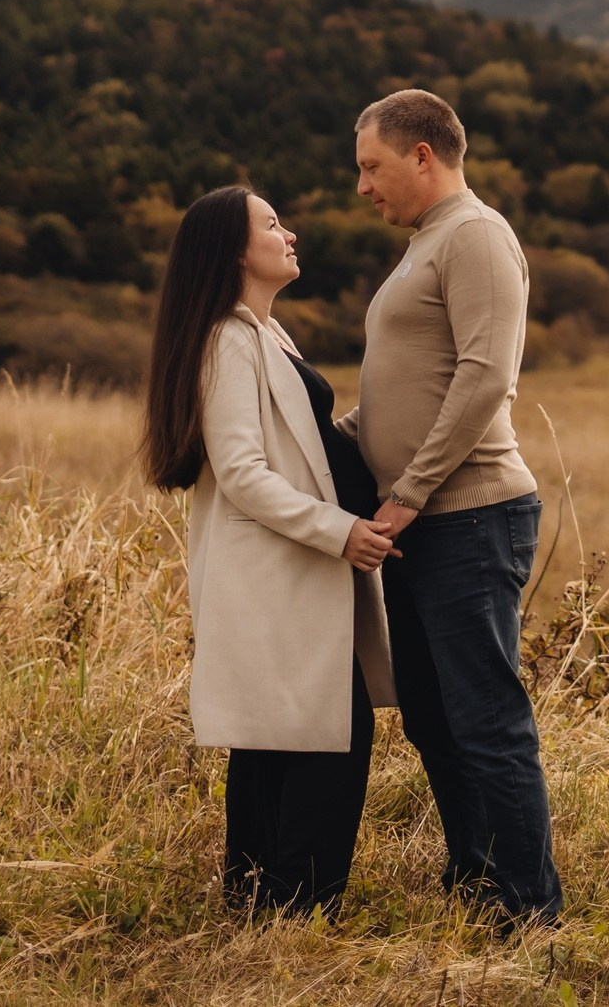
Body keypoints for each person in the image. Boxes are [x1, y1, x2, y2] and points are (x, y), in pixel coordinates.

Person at [140, 185, 397, 914]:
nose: (291, 233)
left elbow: (304, 445)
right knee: (319, 733)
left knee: (281, 734)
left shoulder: (265, 333)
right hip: (279, 572)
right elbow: (244, 472)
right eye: (272, 223)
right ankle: (296, 902)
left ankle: (258, 897)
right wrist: (340, 530)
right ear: (233, 250)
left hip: (294, 572)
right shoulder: (226, 338)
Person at [346, 88, 563, 923]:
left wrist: (405, 492)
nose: (364, 185)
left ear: (421, 156)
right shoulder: (424, 245)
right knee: (433, 718)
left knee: (485, 718)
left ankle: (530, 905)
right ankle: (472, 877)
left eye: (372, 166)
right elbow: (407, 390)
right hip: (422, 526)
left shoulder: (474, 235)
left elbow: (483, 378)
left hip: (469, 516)